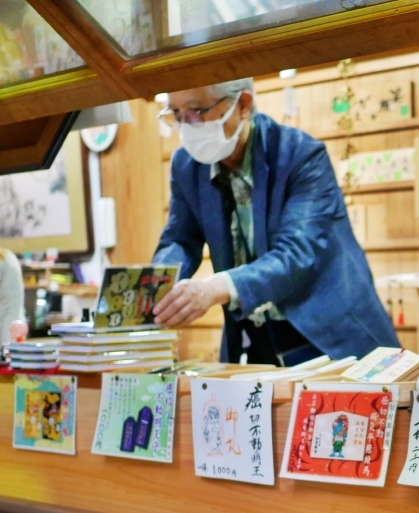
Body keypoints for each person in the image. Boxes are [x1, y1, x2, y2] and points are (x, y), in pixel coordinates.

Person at [152, 78, 399, 365]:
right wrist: (155, 284)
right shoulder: (186, 165)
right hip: (257, 342)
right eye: (177, 115)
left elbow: (297, 254)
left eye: (196, 111)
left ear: (243, 104)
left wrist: (214, 289)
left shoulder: (300, 154)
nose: (186, 126)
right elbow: (181, 239)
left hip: (330, 339)